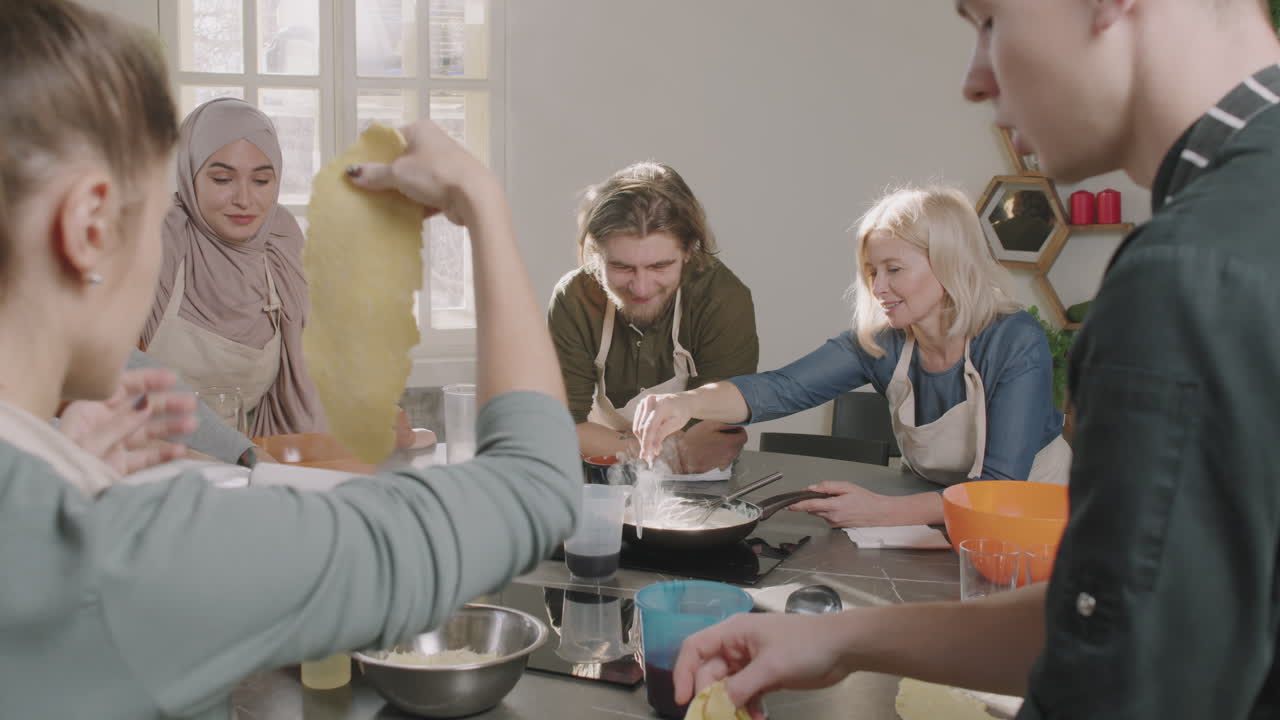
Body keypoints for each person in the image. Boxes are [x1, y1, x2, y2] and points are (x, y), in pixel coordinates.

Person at [671, 1, 1280, 718]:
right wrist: (838, 639)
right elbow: (1129, 621)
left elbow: (1125, 682)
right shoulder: (1239, 228)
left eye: (990, 18)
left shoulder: (1185, 275)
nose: (974, 78)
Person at [0, 4, 578, 719]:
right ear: (88, 226)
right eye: (153, 218)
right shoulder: (127, 556)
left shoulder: (54, 505)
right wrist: (480, 203)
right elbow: (535, 486)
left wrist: (67, 467)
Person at [635, 185, 1069, 528]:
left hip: (1028, 520)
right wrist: (686, 403)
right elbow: (781, 389)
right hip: (936, 515)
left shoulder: (1014, 341)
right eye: (871, 272)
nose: (878, 288)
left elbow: (999, 489)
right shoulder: (885, 343)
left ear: (948, 263)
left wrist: (885, 513)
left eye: (893, 270)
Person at [547, 161, 759, 472]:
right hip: (599, 472)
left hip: (699, 482)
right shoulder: (575, 298)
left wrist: (614, 444)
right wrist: (663, 453)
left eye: (660, 266)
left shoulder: (722, 299)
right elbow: (560, 426)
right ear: (597, 253)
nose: (641, 287)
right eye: (622, 267)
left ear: (689, 251)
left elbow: (715, 436)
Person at [139, 97, 327, 437]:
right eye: (223, 179)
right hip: (144, 463)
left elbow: (304, 378)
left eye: (261, 181)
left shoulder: (279, 242)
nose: (244, 199)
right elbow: (104, 389)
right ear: (190, 174)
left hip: (248, 466)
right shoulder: (158, 240)